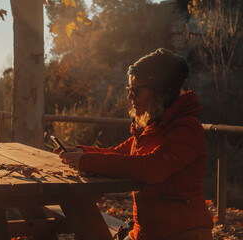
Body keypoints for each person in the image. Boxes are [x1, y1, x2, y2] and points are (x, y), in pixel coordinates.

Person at [54, 48, 214, 240]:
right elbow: (119, 153)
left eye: (136, 89)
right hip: (147, 232)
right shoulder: (154, 127)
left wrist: (86, 161)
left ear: (161, 90)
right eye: (129, 89)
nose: (130, 96)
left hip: (182, 234)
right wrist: (81, 152)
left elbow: (153, 167)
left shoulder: (187, 128)